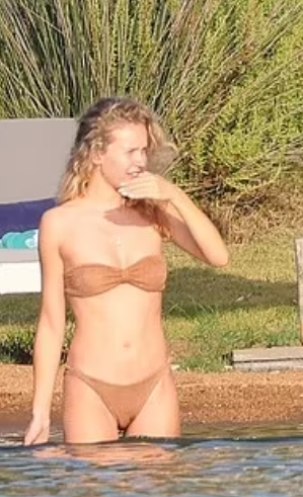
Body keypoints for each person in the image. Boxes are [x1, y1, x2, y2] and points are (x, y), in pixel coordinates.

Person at [23, 97, 229, 445]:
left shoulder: (153, 213)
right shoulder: (59, 223)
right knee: (100, 495)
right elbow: (51, 323)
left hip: (154, 382)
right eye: (131, 151)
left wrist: (174, 195)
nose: (141, 161)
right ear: (96, 154)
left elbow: (218, 256)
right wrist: (40, 412)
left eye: (145, 151)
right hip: (90, 385)